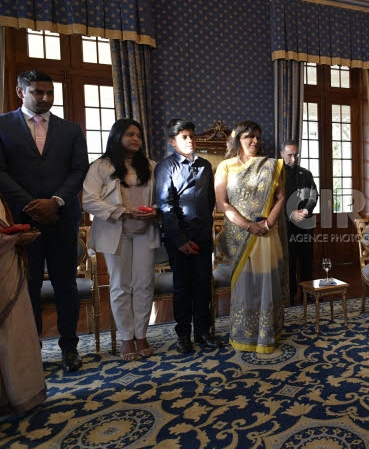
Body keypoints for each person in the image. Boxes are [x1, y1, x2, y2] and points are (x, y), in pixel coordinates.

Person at [0, 70, 88, 371]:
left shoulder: (71, 130)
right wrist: (31, 205)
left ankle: (69, 349)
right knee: (28, 287)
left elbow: (79, 170)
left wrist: (56, 201)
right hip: (21, 222)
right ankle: (31, 349)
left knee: (66, 286)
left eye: (49, 92)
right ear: (20, 91)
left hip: (62, 217)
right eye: (38, 92)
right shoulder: (2, 126)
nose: (45, 98)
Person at [82, 119, 160, 361]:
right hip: (116, 232)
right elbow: (89, 200)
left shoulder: (151, 166)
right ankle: (127, 338)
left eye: (138, 134)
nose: (135, 138)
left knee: (144, 284)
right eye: (129, 134)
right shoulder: (101, 166)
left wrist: (156, 209)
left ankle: (142, 335)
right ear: (117, 136)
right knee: (120, 286)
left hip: (144, 231)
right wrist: (124, 211)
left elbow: (164, 196)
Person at [214, 120, 287, 353]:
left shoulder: (271, 165)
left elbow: (281, 197)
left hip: (267, 232)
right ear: (238, 139)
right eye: (249, 137)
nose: (255, 141)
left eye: (257, 136)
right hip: (240, 233)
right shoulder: (225, 166)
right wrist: (248, 226)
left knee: (267, 280)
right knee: (246, 282)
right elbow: (222, 203)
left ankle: (268, 332)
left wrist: (268, 222)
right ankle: (244, 333)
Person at [154, 119, 221, 353]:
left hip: (202, 237)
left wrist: (205, 233)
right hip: (179, 239)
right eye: (184, 137)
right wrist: (180, 240)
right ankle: (183, 334)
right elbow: (165, 206)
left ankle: (204, 332)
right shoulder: (165, 167)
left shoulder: (205, 165)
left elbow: (210, 201)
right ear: (173, 142)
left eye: (192, 135)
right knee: (182, 288)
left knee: (203, 285)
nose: (190, 140)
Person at [0, 195, 46, 415]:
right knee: (11, 330)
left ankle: (15, 393)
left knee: (17, 329)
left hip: (7, 263)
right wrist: (15, 239)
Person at [280, 140, 318, 304]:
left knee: (306, 260)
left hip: (305, 224)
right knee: (288, 262)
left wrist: (306, 210)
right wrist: (290, 213)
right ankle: (289, 296)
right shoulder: (276, 174)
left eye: (296, 155)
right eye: (290, 155)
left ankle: (308, 293)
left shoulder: (306, 174)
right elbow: (272, 202)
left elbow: (314, 195)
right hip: (285, 225)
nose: (293, 159)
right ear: (282, 154)